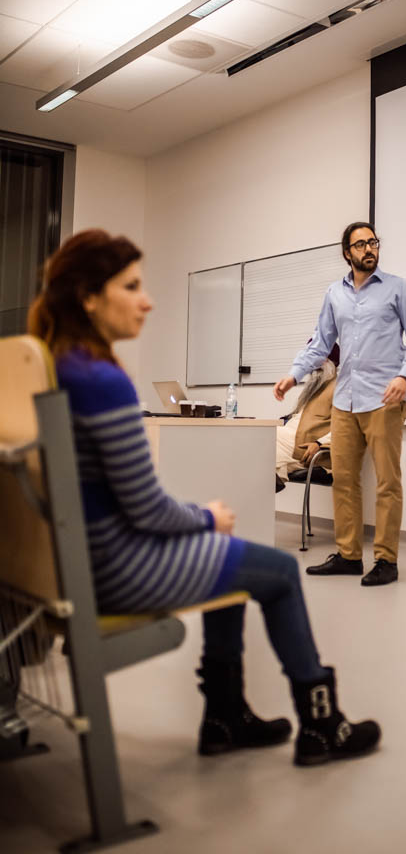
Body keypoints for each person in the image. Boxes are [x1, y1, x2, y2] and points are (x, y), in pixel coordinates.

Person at [27, 229, 380, 767]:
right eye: (131, 287)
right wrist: (205, 516)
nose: (147, 301)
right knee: (279, 571)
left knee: (234, 559)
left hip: (61, 564)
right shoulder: (100, 380)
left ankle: (225, 715)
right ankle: (320, 723)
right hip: (113, 569)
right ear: (88, 297)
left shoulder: (52, 368)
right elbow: (145, 509)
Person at [274, 222, 406, 586]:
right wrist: (294, 375)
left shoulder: (398, 288)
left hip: (384, 400)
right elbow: (321, 343)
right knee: (343, 480)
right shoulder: (334, 294)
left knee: (387, 482)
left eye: (373, 242)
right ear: (347, 253)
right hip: (345, 401)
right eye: (361, 244)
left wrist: (404, 377)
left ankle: (386, 560)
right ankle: (348, 556)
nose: (369, 249)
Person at [275, 344, 338, 492]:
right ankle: (271, 477)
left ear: (330, 361)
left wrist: (319, 443)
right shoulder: (316, 387)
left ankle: (270, 478)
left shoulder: (340, 387)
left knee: (266, 437)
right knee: (260, 437)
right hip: (293, 440)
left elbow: (347, 426)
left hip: (308, 448)